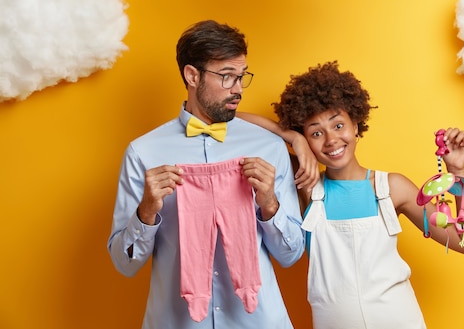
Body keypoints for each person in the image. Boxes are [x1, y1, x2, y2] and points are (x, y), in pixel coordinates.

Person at [239, 61, 464, 329]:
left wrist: (457, 169)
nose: (331, 140)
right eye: (316, 133)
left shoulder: (391, 187)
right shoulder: (306, 186)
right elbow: (232, 120)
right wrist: (293, 138)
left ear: (356, 125)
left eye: (338, 125)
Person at [107, 20, 314, 329]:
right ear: (192, 75)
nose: (238, 89)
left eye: (242, 77)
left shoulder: (268, 147)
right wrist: (146, 210)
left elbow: (291, 255)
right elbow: (125, 264)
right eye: (227, 77)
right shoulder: (144, 153)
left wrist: (269, 203)